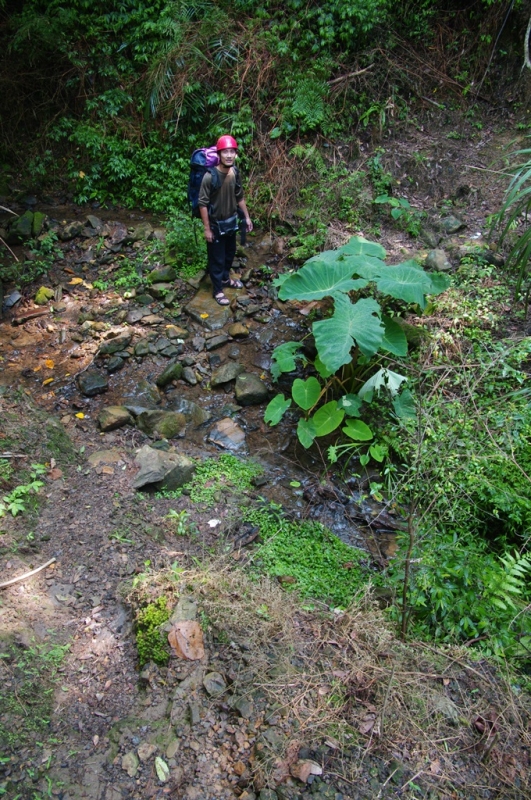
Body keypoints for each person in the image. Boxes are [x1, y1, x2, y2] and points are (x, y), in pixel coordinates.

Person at [198, 135, 253, 306]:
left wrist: (247, 217)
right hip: (215, 225)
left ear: (235, 154)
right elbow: (202, 204)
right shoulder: (210, 177)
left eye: (232, 152)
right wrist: (207, 229)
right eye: (225, 152)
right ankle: (217, 290)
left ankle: (225, 279)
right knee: (217, 259)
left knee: (229, 254)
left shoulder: (235, 173)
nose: (229, 155)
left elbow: (240, 196)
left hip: (231, 222)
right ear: (219, 154)